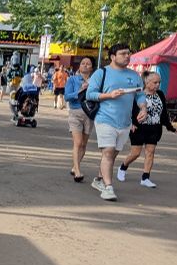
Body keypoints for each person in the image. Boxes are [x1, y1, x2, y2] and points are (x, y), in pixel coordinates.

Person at [86, 43, 146, 201]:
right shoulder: (101, 73)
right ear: (113, 57)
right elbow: (90, 94)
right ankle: (108, 188)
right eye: (123, 53)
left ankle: (99, 179)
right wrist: (109, 95)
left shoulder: (134, 76)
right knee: (108, 152)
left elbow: (140, 96)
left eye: (129, 53)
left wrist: (143, 109)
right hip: (105, 119)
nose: (127, 56)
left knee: (112, 156)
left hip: (125, 123)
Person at [117, 70, 175, 188]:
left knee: (150, 152)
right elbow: (130, 110)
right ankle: (123, 167)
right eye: (155, 82)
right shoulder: (138, 94)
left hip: (155, 128)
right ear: (146, 82)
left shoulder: (160, 94)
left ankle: (145, 177)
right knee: (136, 153)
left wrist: (170, 127)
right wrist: (131, 123)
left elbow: (163, 113)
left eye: (159, 82)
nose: (158, 85)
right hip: (138, 128)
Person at [64, 56, 95, 181]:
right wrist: (80, 91)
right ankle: (77, 171)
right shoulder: (72, 79)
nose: (85, 65)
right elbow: (67, 96)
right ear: (79, 66)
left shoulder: (95, 81)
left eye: (88, 64)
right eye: (83, 63)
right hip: (75, 112)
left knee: (83, 144)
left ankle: (75, 166)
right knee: (77, 142)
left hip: (90, 113)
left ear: (92, 67)